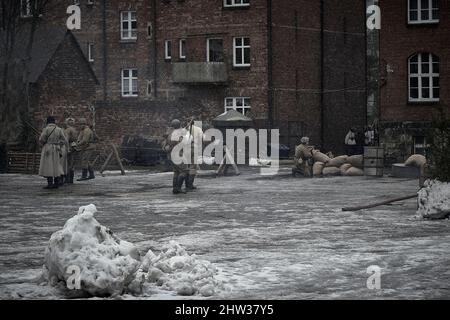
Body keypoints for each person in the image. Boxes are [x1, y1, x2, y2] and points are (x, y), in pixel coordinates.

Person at [38, 116, 68, 189]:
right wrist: (59, 144)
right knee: (56, 165)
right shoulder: (59, 129)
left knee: (49, 166)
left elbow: (41, 139)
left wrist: (44, 142)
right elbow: (64, 140)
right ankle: (56, 183)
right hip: (57, 149)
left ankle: (50, 184)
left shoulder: (46, 129)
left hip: (48, 148)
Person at [161, 119, 189, 194]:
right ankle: (178, 188)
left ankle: (175, 188)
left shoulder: (170, 133)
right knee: (184, 171)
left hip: (171, 155)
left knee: (176, 172)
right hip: (178, 154)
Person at [185, 118, 204, 191]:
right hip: (194, 148)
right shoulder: (198, 129)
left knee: (187, 166)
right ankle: (190, 185)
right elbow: (202, 138)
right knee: (193, 167)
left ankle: (187, 184)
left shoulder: (185, 130)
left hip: (186, 149)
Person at [64, 118, 78, 184]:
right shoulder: (74, 129)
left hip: (69, 146)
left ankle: (67, 179)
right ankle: (71, 179)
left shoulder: (68, 130)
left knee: (67, 163)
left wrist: (67, 148)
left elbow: (66, 140)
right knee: (72, 163)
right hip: (74, 146)